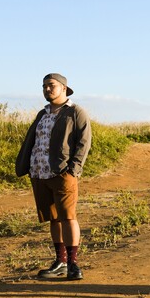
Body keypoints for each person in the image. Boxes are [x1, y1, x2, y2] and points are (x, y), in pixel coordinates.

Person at [16, 73, 92, 280]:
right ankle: (61, 262)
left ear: (64, 88)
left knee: (68, 217)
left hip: (62, 173)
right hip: (39, 173)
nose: (47, 89)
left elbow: (84, 142)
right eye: (44, 86)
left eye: (51, 85)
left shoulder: (75, 112)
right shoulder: (43, 113)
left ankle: (73, 264)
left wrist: (73, 169)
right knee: (53, 218)